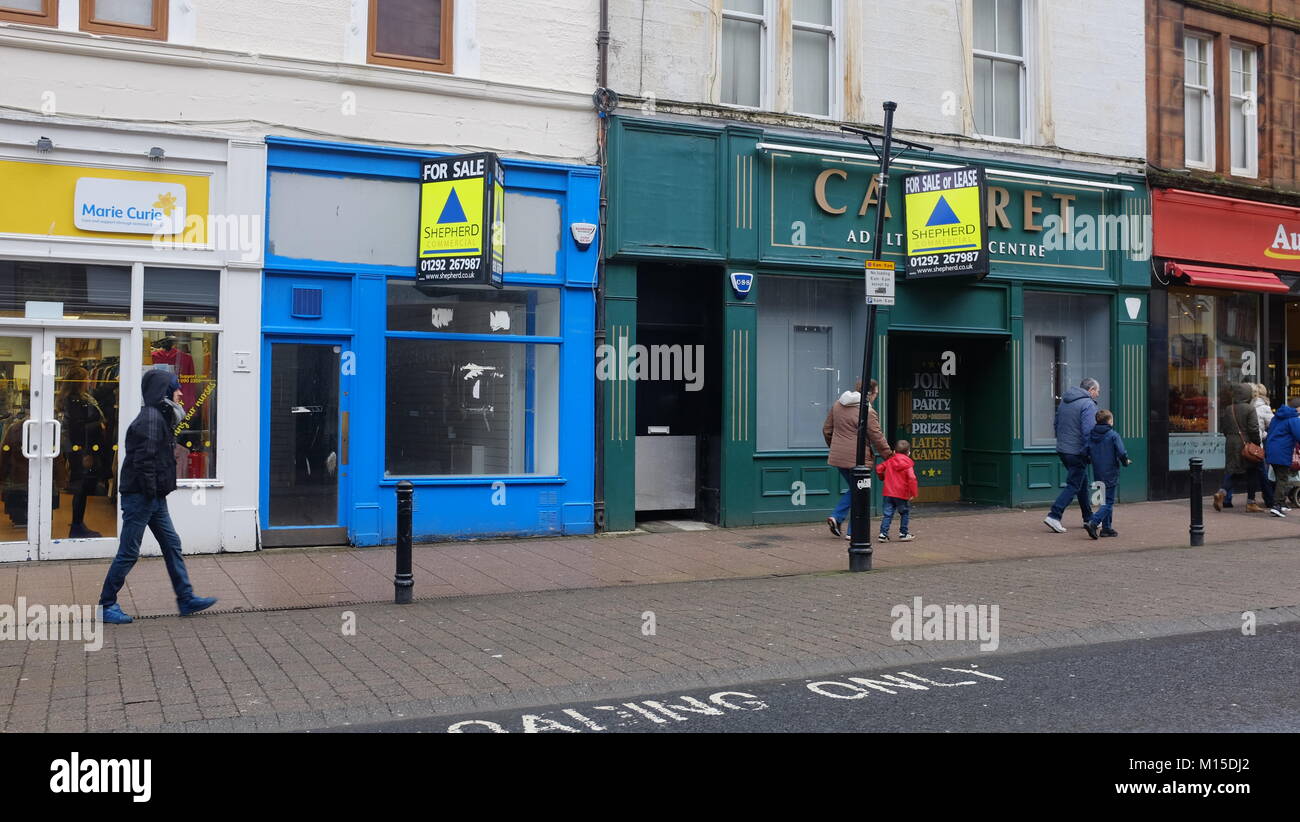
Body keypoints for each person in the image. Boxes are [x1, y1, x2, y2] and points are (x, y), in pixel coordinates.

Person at [98, 369, 217, 624]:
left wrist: (156, 493)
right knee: (129, 552)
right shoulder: (151, 419)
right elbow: (144, 461)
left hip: (152, 496)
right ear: (164, 390)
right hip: (142, 496)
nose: (179, 392)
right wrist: (152, 493)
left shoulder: (158, 417)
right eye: (175, 388)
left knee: (172, 543)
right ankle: (106, 604)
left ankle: (185, 598)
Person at [824, 378, 892, 540]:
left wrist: (836, 447)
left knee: (855, 490)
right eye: (876, 393)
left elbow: (827, 430)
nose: (876, 397)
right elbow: (877, 436)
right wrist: (889, 456)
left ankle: (840, 520)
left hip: (838, 457)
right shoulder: (867, 410)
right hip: (858, 459)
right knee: (859, 491)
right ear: (870, 393)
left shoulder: (838, 405)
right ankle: (850, 529)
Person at [1043, 378, 1100, 533]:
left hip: (1063, 449)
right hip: (1077, 451)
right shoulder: (1087, 404)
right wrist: (1091, 451)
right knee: (1074, 484)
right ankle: (1054, 515)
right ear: (1090, 390)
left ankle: (1088, 517)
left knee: (1081, 482)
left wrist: (1063, 442)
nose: (1097, 394)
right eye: (1097, 391)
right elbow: (1089, 431)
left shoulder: (1064, 402)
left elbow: (1056, 424)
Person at [58, 366, 107, 539]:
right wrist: (98, 426)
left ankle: (78, 524)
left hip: (81, 448)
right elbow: (77, 429)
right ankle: (77, 526)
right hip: (80, 449)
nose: (89, 381)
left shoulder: (79, 399)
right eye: (86, 379)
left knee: (83, 487)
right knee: (80, 487)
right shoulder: (75, 401)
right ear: (79, 382)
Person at [1214, 382, 1264, 513]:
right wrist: (1257, 444)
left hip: (1230, 443)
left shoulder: (1228, 408)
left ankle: (1221, 492)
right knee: (1252, 472)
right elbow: (1253, 429)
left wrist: (1231, 437)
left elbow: (1223, 428)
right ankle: (1251, 503)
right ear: (1248, 395)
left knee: (1233, 471)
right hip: (1245, 443)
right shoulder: (1249, 408)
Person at [1083, 409, 1131, 539]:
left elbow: (1085, 452)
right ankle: (1093, 522)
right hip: (1110, 472)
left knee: (1104, 499)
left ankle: (1106, 528)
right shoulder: (1113, 435)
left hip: (1097, 472)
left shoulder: (1091, 435)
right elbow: (1121, 452)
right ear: (1109, 421)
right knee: (1108, 502)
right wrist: (1126, 461)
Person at [874, 439, 918, 542]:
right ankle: (903, 533)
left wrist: (882, 477)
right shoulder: (908, 464)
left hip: (888, 492)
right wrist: (913, 493)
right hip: (902, 493)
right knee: (904, 512)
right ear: (908, 452)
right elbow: (912, 478)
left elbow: (879, 469)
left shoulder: (889, 461)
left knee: (887, 514)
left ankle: (883, 534)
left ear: (894, 452)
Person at [1263, 396, 1300, 518]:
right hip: (1282, 451)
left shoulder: (1277, 417)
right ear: (1298, 408)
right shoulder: (1293, 419)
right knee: (1282, 478)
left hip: (1271, 450)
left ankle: (1282, 503)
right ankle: (1277, 505)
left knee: (1279, 476)